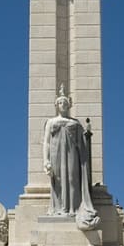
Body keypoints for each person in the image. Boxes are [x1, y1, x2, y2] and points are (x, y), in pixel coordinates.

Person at [43, 87, 99, 228]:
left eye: (65, 102)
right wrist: (46, 160)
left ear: (69, 104)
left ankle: (73, 209)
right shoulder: (50, 122)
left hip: (71, 155)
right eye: (60, 102)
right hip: (56, 154)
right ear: (56, 105)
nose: (63, 104)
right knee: (58, 180)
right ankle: (59, 209)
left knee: (72, 179)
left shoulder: (75, 123)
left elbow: (83, 144)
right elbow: (46, 143)